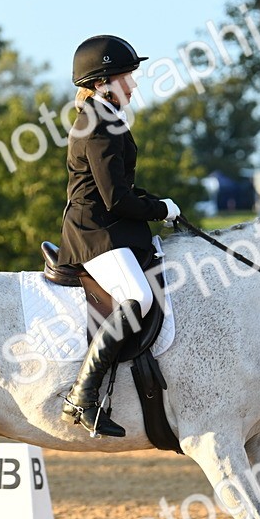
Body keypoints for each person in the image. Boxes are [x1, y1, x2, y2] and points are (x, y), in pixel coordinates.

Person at [58, 35, 180, 438]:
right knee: (138, 297)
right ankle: (82, 396)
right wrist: (158, 210)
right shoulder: (97, 124)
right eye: (128, 76)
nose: (134, 84)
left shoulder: (104, 118)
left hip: (110, 228)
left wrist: (161, 204)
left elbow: (123, 188)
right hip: (95, 233)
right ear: (103, 82)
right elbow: (115, 199)